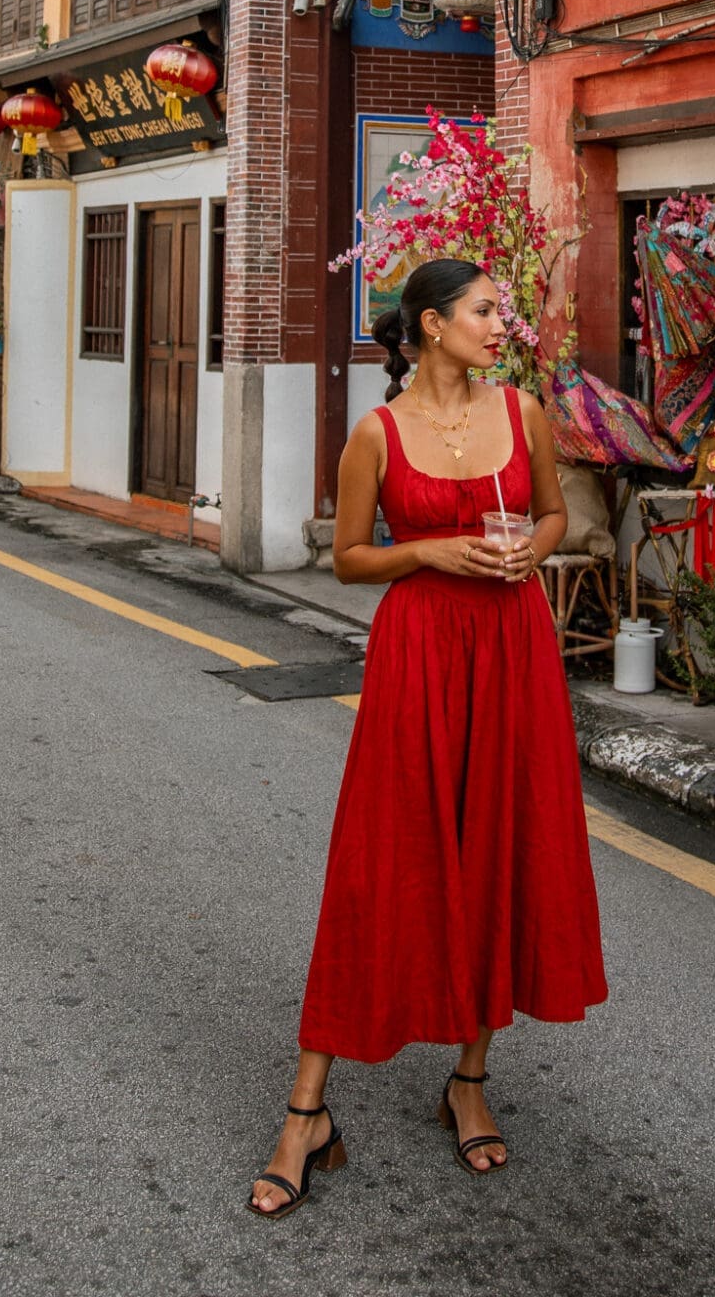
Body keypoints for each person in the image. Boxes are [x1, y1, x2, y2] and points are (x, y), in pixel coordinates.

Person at [249, 258, 608, 1218]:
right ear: (431, 323)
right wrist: (428, 552)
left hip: (511, 642)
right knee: (382, 858)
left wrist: (528, 550)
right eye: (487, 310)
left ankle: (470, 1078)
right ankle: (305, 1112)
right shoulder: (375, 433)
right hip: (418, 653)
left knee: (502, 843)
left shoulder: (521, 411)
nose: (503, 324)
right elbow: (349, 558)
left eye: (501, 310)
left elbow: (550, 514)